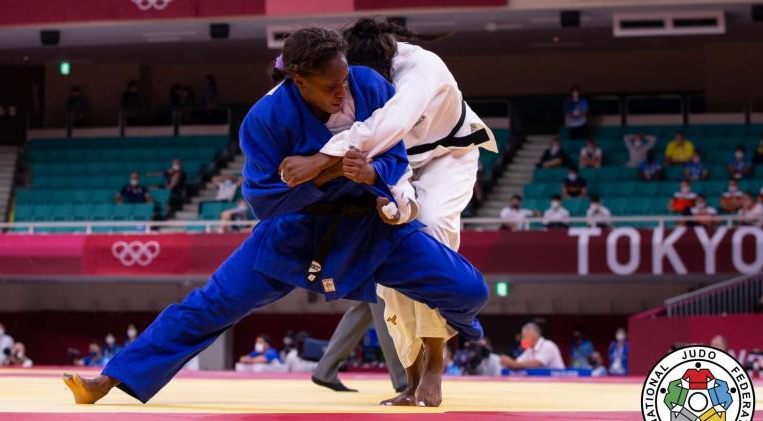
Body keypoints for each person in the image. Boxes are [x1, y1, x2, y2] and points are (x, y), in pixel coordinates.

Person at [62, 26, 488, 409]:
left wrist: (370, 172)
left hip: (369, 224)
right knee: (210, 305)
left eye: (343, 80)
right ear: (299, 81)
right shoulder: (264, 120)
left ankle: (451, 336)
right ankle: (110, 377)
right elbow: (266, 203)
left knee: (470, 290)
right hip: (295, 233)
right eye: (329, 86)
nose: (341, 92)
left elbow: (396, 157)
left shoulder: (370, 84)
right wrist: (335, 171)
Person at [277, 18, 498, 405]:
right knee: (387, 251)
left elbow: (389, 123)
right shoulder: (347, 77)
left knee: (428, 230)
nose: (350, 88)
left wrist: (316, 162)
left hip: (449, 156)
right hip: (394, 163)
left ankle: (434, 363)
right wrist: (388, 198)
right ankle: (410, 377)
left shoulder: (420, 68)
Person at [500, 322, 565, 370]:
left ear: (533, 336)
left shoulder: (548, 345)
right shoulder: (530, 349)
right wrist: (508, 362)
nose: (522, 340)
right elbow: (518, 362)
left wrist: (513, 364)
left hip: (559, 382)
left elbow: (536, 364)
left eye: (524, 337)